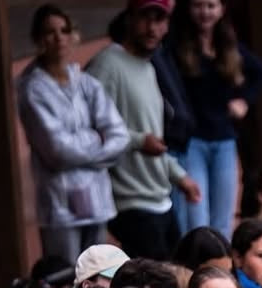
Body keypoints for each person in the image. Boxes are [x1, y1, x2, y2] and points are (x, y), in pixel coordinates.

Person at [86, 0, 202, 258]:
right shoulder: (107, 64)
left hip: (160, 195)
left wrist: (179, 176)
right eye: (145, 18)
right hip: (129, 201)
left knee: (179, 274)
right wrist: (139, 141)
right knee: (156, 280)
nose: (152, 28)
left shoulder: (148, 66)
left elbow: (151, 135)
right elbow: (90, 129)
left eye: (159, 20)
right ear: (129, 18)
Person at [17, 4, 131, 263]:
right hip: (61, 205)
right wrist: (97, 137)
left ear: (73, 35)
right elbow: (57, 149)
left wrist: (86, 143)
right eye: (50, 32)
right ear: (38, 39)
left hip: (97, 199)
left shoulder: (86, 82)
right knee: (66, 275)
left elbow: (120, 135)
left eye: (64, 30)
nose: (59, 38)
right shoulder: (33, 88)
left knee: (97, 274)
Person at [167, 0, 262, 236]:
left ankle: (221, 259)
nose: (205, 12)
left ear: (222, 9)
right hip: (192, 141)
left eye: (211, 6)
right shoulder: (177, 46)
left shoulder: (228, 45)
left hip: (224, 139)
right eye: (198, 6)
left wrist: (244, 100)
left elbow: (261, 73)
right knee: (196, 216)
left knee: (223, 218)